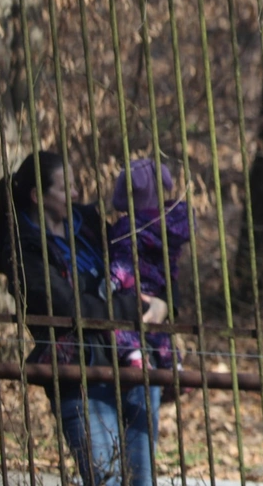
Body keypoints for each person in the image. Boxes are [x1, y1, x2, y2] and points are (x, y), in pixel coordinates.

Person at [0, 150, 168, 486]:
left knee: (143, 481)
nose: (75, 193)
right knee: (107, 481)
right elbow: (68, 308)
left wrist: (161, 304)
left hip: (135, 366)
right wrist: (134, 309)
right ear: (38, 197)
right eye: (64, 186)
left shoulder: (89, 224)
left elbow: (140, 267)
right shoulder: (23, 251)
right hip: (80, 376)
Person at [105, 157, 190, 370]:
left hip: (133, 286)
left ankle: (134, 355)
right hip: (158, 286)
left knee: (122, 326)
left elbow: (124, 259)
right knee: (158, 330)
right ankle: (173, 365)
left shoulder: (129, 227)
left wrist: (113, 280)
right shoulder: (168, 225)